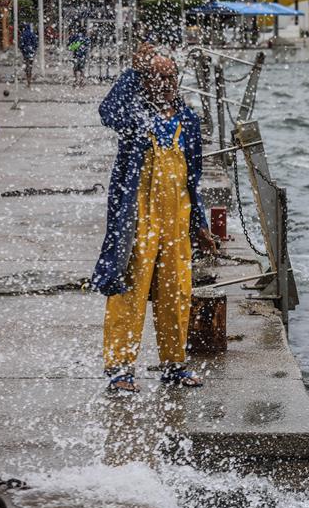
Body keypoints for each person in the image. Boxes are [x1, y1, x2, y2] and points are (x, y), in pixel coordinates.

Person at [92, 44, 217, 393]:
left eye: (169, 76)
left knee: (177, 293)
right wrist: (134, 72)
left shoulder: (188, 121)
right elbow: (107, 111)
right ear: (145, 82)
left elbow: (193, 179)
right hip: (139, 220)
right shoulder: (134, 118)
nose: (164, 83)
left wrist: (200, 225)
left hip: (177, 220)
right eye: (156, 76)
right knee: (129, 292)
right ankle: (120, 369)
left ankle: (174, 365)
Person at [19, 24, 38, 88]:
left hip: (25, 52)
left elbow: (21, 44)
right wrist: (34, 50)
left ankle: (28, 80)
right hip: (31, 52)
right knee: (30, 66)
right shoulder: (32, 34)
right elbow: (35, 43)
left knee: (27, 65)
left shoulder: (23, 34)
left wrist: (22, 50)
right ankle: (29, 80)